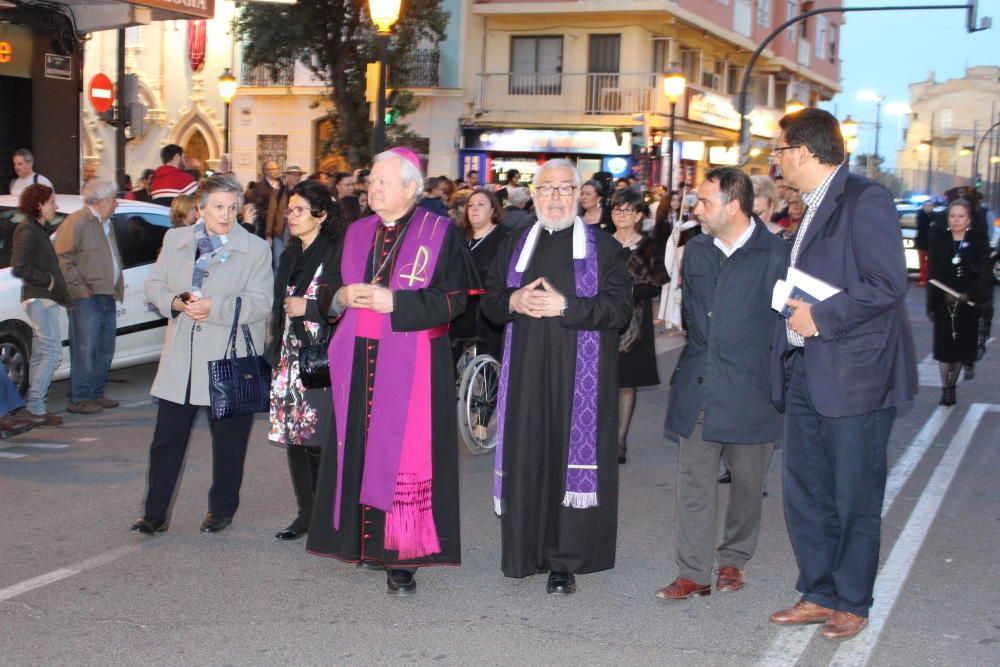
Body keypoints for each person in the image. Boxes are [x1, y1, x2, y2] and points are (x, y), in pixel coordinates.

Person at [768, 108, 917, 640]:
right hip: (807, 367)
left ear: (804, 153)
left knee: (853, 494)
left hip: (856, 373)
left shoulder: (863, 198)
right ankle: (818, 591)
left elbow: (886, 283)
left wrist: (820, 318)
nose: (776, 159)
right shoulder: (809, 206)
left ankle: (852, 600)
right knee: (806, 490)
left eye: (779, 149)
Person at [307, 147, 478, 597]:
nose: (372, 188)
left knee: (401, 453)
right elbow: (325, 288)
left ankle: (401, 557)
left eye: (382, 181)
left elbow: (456, 300)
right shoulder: (358, 230)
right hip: (358, 357)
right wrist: (342, 296)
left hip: (413, 361)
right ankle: (361, 543)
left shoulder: (439, 232)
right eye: (371, 182)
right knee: (360, 448)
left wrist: (397, 303)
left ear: (409, 187)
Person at [481, 159, 632, 595]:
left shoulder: (603, 248)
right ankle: (526, 551)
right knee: (529, 457)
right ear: (534, 193)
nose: (556, 197)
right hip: (525, 375)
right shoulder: (513, 244)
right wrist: (513, 301)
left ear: (580, 195)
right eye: (548, 189)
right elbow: (488, 303)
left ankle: (566, 560)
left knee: (567, 457)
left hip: (578, 379)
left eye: (566, 189)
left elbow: (619, 311)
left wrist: (567, 307)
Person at [655, 168, 787, 601]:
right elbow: (693, 316)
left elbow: (786, 327)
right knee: (693, 482)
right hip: (700, 384)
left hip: (753, 392)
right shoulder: (696, 251)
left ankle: (733, 558)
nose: (697, 210)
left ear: (733, 205)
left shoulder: (777, 254)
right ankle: (693, 571)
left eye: (705, 202)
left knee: (748, 486)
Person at [130, 175, 273, 536]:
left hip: (227, 359)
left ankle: (221, 510)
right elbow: (154, 284)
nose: (226, 215)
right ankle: (154, 514)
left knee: (229, 443)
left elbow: (261, 303)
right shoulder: (176, 239)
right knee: (166, 443)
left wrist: (216, 307)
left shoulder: (256, 248)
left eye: (231, 207)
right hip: (181, 358)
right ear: (201, 209)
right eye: (218, 207)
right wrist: (175, 302)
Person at [265, 181, 346, 541]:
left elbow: (348, 305)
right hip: (291, 357)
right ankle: (306, 514)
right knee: (295, 439)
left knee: (320, 441)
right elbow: (278, 306)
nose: (291, 217)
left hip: (324, 361)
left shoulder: (337, 254)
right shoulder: (291, 254)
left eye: (299, 210)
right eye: (290, 210)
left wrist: (309, 307)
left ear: (321, 214)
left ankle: (330, 516)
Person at [54, 179, 124, 415]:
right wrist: (80, 289)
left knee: (105, 347)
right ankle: (80, 397)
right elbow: (63, 259)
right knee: (85, 348)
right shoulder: (78, 222)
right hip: (87, 296)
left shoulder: (105, 223)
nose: (116, 204)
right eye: (114, 199)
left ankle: (95, 392)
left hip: (106, 293)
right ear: (100, 200)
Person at [609, 188, 666, 464]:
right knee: (603, 381)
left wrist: (629, 292)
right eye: (617, 210)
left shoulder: (649, 245)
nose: (622, 215)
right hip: (604, 320)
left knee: (627, 382)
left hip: (636, 323)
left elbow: (656, 286)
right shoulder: (601, 243)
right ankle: (601, 437)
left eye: (628, 210)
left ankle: (619, 439)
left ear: (639, 215)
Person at [11, 184, 71, 427]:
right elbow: (19, 266)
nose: (55, 207)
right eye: (51, 202)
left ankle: (34, 405)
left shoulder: (35, 228)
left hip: (43, 299)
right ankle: (36, 407)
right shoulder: (28, 229)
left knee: (40, 353)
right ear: (39, 204)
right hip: (39, 299)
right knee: (53, 352)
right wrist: (48, 281)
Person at [926, 199, 991, 406]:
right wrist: (944, 294)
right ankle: (945, 389)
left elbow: (983, 273)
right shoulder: (940, 240)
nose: (956, 220)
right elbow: (933, 271)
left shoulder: (978, 241)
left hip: (967, 304)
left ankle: (953, 385)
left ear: (969, 219)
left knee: (960, 349)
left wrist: (968, 294)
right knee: (945, 349)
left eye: (961, 216)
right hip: (943, 302)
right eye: (952, 216)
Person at [450, 189, 509, 366]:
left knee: (491, 354)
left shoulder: (505, 238)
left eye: (481, 205)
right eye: (471, 205)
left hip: (488, 307)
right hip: (460, 305)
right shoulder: (458, 236)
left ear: (493, 210)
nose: (474, 209)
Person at [265, 165, 305, 265]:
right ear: (287, 176)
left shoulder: (304, 193)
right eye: (294, 175)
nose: (297, 177)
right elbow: (271, 213)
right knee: (279, 262)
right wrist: (268, 234)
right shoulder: (279, 192)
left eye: (299, 175)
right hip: (280, 231)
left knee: (293, 263)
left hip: (296, 233)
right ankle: (279, 281)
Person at [247, 160, 282, 237]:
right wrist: (270, 214)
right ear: (265, 171)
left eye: (277, 168)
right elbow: (256, 207)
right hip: (264, 226)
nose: (276, 171)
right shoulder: (259, 187)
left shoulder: (282, 185)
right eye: (272, 169)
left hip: (279, 227)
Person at [915, 199, 934, 286]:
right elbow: (923, 225)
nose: (928, 207)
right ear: (923, 206)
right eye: (926, 205)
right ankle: (923, 279)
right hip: (922, 243)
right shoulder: (920, 215)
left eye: (930, 205)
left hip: (931, 243)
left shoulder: (934, 215)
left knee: (931, 263)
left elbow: (936, 226)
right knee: (922, 263)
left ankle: (930, 280)